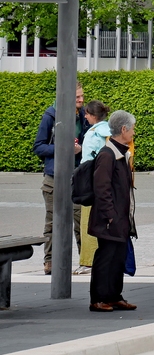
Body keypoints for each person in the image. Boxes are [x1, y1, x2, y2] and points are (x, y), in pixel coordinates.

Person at [33, 81, 87, 275]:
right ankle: (50, 262)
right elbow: (38, 147)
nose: (81, 100)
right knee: (52, 222)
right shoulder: (50, 116)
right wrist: (62, 148)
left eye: (82, 96)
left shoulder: (82, 116)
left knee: (81, 220)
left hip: (76, 177)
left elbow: (86, 141)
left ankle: (85, 262)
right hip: (54, 177)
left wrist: (81, 148)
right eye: (77, 97)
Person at [88, 110, 137, 312]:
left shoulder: (119, 153)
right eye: (132, 128)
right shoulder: (107, 155)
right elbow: (102, 188)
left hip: (119, 217)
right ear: (123, 129)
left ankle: (114, 295)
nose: (134, 132)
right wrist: (110, 216)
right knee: (106, 256)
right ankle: (98, 298)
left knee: (118, 256)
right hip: (109, 218)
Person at [75, 100, 112, 276]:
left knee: (87, 222)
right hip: (108, 180)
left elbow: (87, 160)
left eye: (88, 114)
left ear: (93, 115)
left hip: (91, 180)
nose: (86, 116)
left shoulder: (92, 133)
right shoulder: (111, 131)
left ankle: (88, 261)